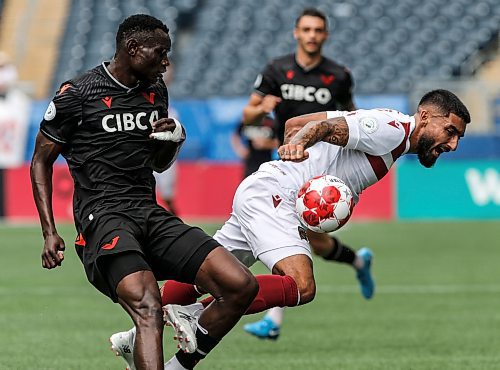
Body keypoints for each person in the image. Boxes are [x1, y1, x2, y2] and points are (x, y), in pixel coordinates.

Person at [111, 89, 471, 365]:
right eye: (449, 131)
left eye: (457, 138)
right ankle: (193, 314)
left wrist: (297, 143)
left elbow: (296, 123)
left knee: (201, 274)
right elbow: (320, 128)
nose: (452, 143)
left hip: (266, 192)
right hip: (275, 197)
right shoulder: (391, 129)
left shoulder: (394, 133)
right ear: (425, 117)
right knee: (301, 285)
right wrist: (298, 147)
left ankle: (136, 336)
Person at [30, 14, 259, 370]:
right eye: (160, 53)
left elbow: (158, 163)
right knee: (148, 308)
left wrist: (174, 139)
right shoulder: (77, 94)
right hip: (104, 219)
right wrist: (49, 232)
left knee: (240, 285)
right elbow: (40, 161)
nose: (167, 62)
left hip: (149, 213)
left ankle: (177, 366)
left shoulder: (156, 90)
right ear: (133, 48)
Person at [241, 7, 361, 339]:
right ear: (296, 32)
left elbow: (351, 119)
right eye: (306, 29)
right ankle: (358, 262)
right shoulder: (276, 70)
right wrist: (260, 109)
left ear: (325, 35)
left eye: (318, 30)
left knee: (293, 239)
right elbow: (247, 115)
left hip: (323, 170)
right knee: (308, 241)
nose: (311, 35)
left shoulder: (338, 75)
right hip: (288, 166)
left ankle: (273, 320)